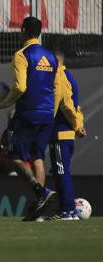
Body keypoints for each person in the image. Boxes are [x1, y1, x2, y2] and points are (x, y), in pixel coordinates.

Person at [0, 16, 84, 220]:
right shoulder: (51, 58)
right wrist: (76, 121)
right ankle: (39, 210)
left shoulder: (22, 55)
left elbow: (20, 86)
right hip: (47, 116)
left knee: (14, 156)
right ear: (39, 32)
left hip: (27, 113)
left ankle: (41, 192)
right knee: (37, 158)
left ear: (23, 30)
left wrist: (5, 103)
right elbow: (59, 91)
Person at [48, 52, 85, 221]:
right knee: (59, 172)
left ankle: (68, 210)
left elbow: (67, 106)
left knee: (62, 173)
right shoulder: (70, 77)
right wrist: (78, 124)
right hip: (65, 134)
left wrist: (76, 125)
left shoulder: (60, 76)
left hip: (60, 133)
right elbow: (76, 108)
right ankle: (65, 209)